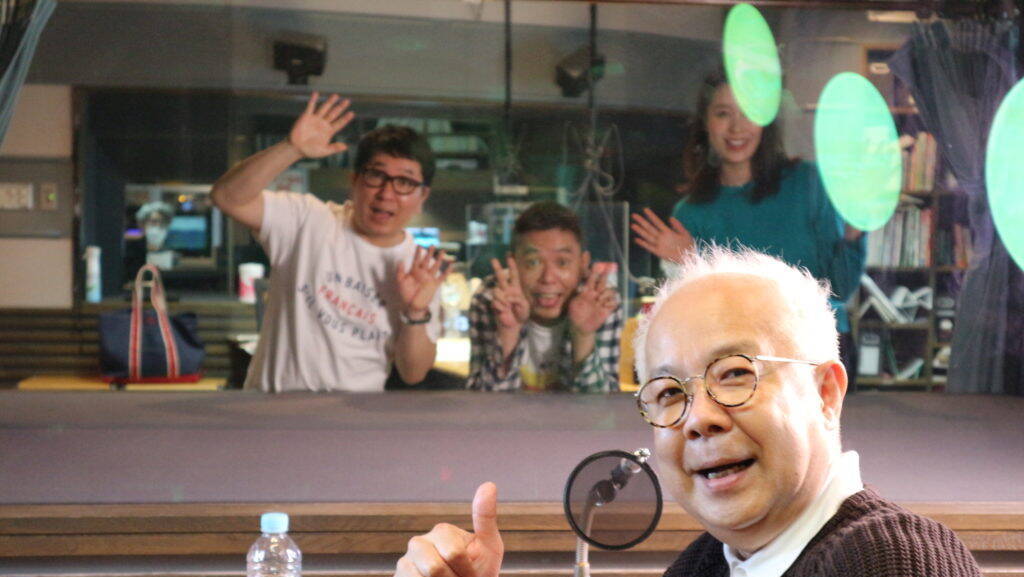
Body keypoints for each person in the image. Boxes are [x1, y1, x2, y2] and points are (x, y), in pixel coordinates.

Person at [388, 246, 1020, 577]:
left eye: (736, 374)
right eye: (669, 393)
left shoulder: (891, 566)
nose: (699, 418)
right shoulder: (714, 568)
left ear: (826, 392)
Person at [630, 70, 866, 375]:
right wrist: (688, 261)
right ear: (706, 124)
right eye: (723, 113)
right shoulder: (690, 213)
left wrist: (854, 234)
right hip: (735, 361)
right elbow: (697, 320)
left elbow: (840, 289)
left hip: (816, 352)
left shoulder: (807, 183)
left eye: (748, 112)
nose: (736, 127)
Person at [211, 93, 447, 392]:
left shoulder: (421, 269)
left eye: (405, 182)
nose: (387, 193)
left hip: (352, 416)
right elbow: (227, 197)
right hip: (271, 410)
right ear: (354, 181)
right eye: (376, 175)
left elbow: (413, 373)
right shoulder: (307, 221)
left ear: (422, 196)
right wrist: (291, 148)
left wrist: (415, 312)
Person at [466, 201, 622, 392]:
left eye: (562, 262)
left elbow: (602, 406)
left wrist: (583, 336)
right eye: (533, 262)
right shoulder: (492, 298)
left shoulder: (599, 301)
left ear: (583, 264)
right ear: (513, 263)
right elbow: (482, 404)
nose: (548, 278)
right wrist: (508, 333)